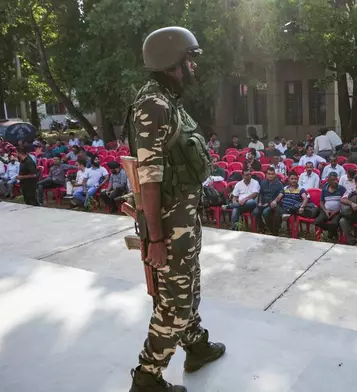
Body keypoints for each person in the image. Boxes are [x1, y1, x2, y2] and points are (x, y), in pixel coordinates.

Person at [130, 31, 229, 387]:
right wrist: (155, 238)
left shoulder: (169, 101)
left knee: (189, 289)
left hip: (183, 222)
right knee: (173, 306)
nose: (193, 65)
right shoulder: (153, 106)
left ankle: (196, 347)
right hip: (169, 228)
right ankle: (147, 378)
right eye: (189, 59)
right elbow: (149, 179)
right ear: (172, 63)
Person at [252, 167, 284, 234]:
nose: (271, 176)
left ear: (275, 175)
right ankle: (262, 227)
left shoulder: (279, 183)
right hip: (263, 203)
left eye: (272, 174)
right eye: (269, 174)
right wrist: (260, 202)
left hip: (272, 204)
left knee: (265, 212)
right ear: (266, 174)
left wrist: (275, 201)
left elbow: (281, 194)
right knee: (255, 212)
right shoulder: (263, 182)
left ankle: (272, 230)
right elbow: (261, 193)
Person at [316, 172, 346, 241]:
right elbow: (321, 202)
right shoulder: (324, 189)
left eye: (336, 180)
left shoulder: (342, 189)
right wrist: (325, 210)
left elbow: (344, 203)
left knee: (334, 224)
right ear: (328, 181)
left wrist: (335, 211)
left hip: (338, 211)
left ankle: (329, 235)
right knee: (318, 221)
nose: (335, 182)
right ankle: (331, 232)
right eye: (333, 180)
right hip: (326, 210)